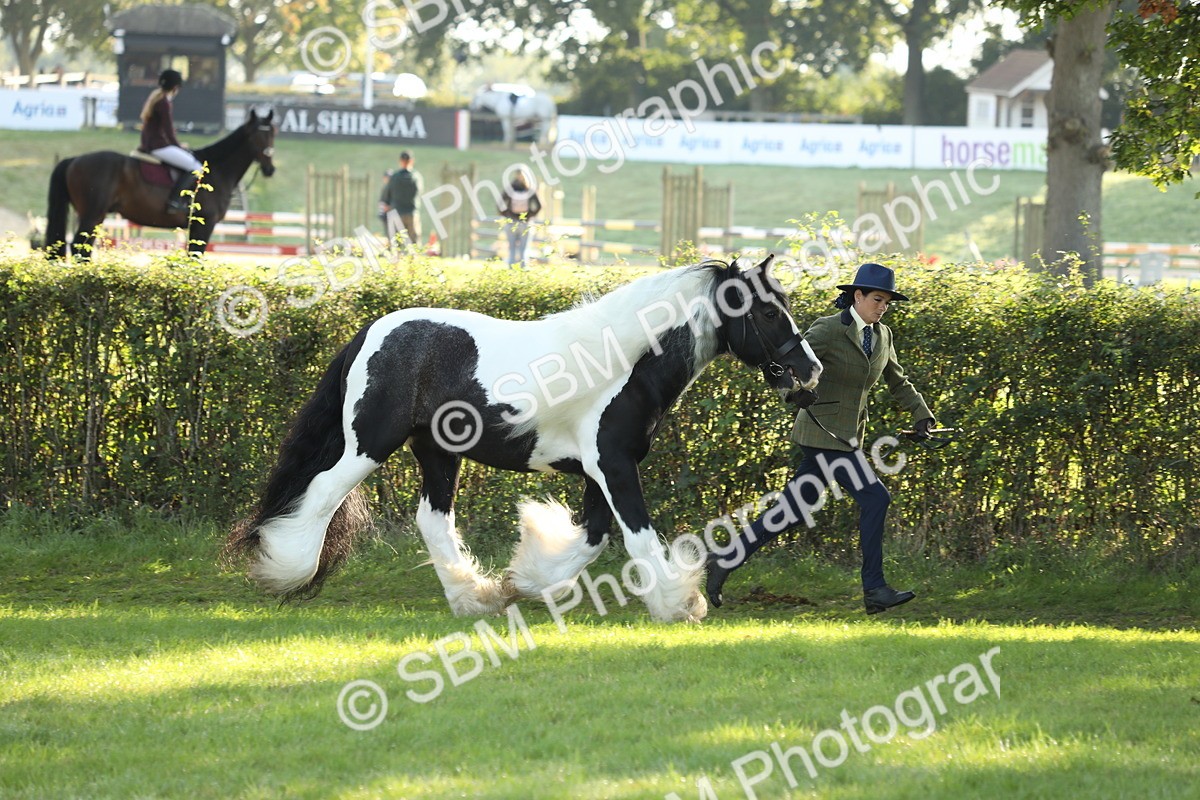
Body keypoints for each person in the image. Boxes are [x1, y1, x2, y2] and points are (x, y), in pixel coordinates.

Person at [706, 262, 936, 615]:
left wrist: (922, 415)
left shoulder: (883, 335)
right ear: (857, 296)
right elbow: (788, 365)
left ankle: (724, 560)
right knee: (876, 499)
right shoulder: (828, 329)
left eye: (887, 302)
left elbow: (897, 380)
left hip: (848, 436)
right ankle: (875, 589)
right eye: (877, 299)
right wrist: (793, 393)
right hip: (822, 431)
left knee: (793, 509)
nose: (882, 307)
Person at [139, 69, 204, 213]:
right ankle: (174, 201)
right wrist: (179, 146)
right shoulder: (164, 103)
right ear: (175, 88)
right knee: (196, 167)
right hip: (158, 146)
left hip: (151, 144)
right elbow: (168, 131)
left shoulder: (156, 98)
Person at [498, 168, 542, 268]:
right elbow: (539, 206)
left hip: (511, 221)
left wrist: (506, 214)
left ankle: (511, 270)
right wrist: (530, 215)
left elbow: (499, 203)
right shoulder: (529, 189)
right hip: (525, 222)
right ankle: (523, 271)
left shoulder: (510, 188)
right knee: (524, 249)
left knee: (512, 249)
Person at [380, 151, 423, 248]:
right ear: (412, 161)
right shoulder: (416, 177)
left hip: (396, 213)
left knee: (396, 245)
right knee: (414, 244)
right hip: (412, 213)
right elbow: (419, 192)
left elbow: (386, 195)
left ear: (400, 161)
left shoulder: (395, 177)